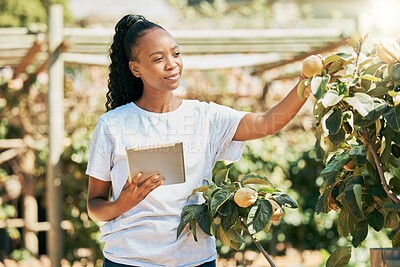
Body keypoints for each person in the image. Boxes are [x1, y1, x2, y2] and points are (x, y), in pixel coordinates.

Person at [86, 14, 311, 267]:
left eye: (176, 54)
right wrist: (121, 204)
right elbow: (94, 205)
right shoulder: (112, 124)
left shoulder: (205, 117)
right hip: (127, 260)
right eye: (158, 59)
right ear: (135, 68)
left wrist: (306, 83)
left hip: (195, 260)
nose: (172, 64)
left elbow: (267, 123)